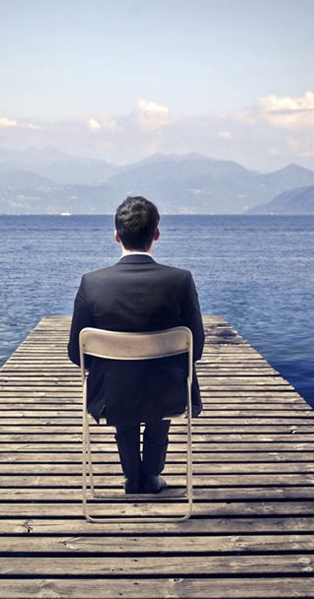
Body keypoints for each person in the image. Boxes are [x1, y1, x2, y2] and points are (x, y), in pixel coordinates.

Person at [67, 196, 204, 494]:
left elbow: (75, 354)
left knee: (122, 384)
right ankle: (151, 476)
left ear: (116, 235)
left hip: (112, 395)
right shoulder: (180, 280)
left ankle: (133, 478)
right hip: (169, 393)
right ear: (156, 234)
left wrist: (112, 362)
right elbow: (198, 347)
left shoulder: (92, 283)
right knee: (160, 384)